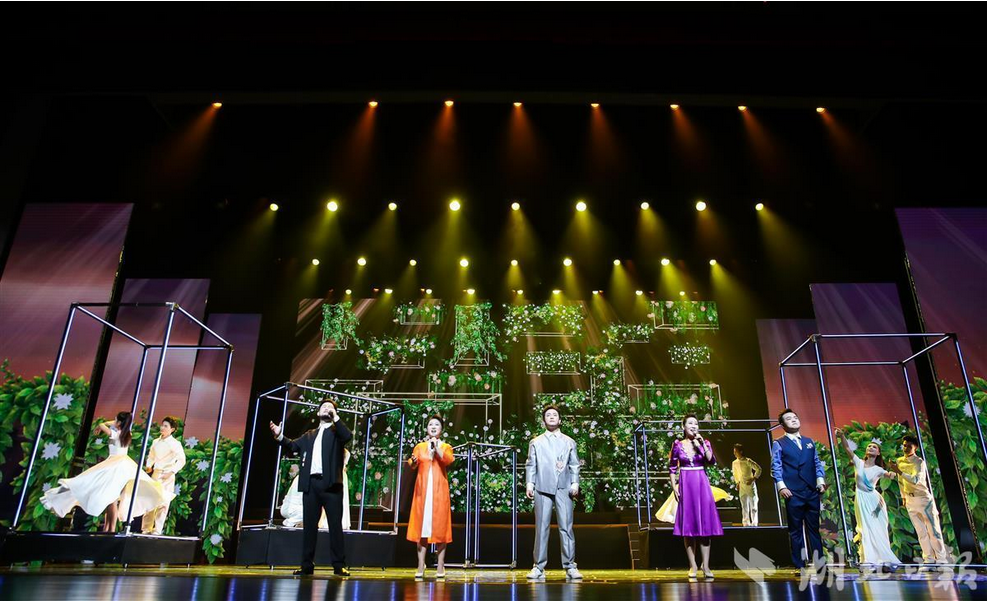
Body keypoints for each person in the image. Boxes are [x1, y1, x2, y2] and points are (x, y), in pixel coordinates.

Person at [42, 411, 171, 531]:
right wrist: (117, 422)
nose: (113, 422)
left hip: (115, 466)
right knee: (112, 499)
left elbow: (102, 425)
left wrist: (104, 424)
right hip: (120, 465)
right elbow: (112, 426)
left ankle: (111, 529)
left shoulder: (117, 434)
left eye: (116, 420)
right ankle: (109, 529)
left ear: (119, 422)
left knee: (107, 496)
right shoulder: (126, 434)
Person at [270, 399, 352, 577]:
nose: (327, 409)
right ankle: (307, 565)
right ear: (318, 413)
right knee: (309, 527)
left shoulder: (337, 432)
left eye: (331, 408)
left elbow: (347, 436)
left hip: (331, 485)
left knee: (335, 526)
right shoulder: (309, 435)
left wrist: (336, 418)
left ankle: (339, 565)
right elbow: (293, 445)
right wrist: (279, 435)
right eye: (324, 407)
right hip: (311, 484)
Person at [525, 405, 583, 581]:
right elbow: (531, 464)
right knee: (541, 528)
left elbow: (574, 464)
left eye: (554, 415)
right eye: (548, 415)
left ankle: (570, 566)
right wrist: (530, 483)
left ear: (560, 419)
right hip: (542, 487)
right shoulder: (536, 442)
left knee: (566, 527)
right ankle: (538, 566)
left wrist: (575, 483)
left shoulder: (569, 442)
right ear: (543, 420)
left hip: (564, 487)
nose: (551, 417)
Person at [771, 409, 827, 572]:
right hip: (793, 491)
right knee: (795, 530)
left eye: (795, 417)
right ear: (782, 425)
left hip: (811, 490)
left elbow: (816, 463)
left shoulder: (809, 442)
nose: (794, 420)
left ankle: (820, 566)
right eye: (789, 418)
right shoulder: (779, 443)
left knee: (814, 530)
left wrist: (820, 481)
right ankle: (799, 566)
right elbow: (775, 466)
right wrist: (782, 486)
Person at [836, 429, 901, 567]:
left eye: (874, 447)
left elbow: (891, 475)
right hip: (861, 498)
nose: (871, 447)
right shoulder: (858, 463)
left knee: (878, 529)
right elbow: (847, 448)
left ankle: (884, 560)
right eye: (869, 446)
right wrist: (842, 436)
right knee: (865, 528)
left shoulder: (878, 469)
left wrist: (896, 471)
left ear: (878, 453)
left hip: (875, 501)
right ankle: (869, 559)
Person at [669, 414, 724, 579]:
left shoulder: (704, 442)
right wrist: (674, 486)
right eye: (690, 423)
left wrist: (702, 444)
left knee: (705, 526)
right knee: (689, 527)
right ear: (684, 427)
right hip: (686, 484)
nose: (694, 426)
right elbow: (672, 467)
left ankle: (706, 566)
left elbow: (711, 461)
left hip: (701, 483)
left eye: (696, 423)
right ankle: (692, 565)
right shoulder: (678, 445)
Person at [887, 434, 950, 564]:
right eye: (904, 446)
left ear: (915, 447)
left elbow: (916, 480)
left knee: (933, 530)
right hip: (910, 500)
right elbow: (901, 481)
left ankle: (941, 560)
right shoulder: (899, 461)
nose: (906, 448)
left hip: (923, 499)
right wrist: (903, 496)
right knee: (921, 532)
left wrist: (899, 471)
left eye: (909, 446)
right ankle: (929, 559)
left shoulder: (919, 462)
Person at [407, 416, 455, 579]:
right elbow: (412, 464)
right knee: (421, 528)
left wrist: (436, 447)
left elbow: (448, 460)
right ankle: (421, 564)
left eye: (437, 425)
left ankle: (440, 565)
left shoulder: (446, 447)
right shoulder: (420, 447)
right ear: (427, 428)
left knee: (441, 528)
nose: (433, 427)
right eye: (430, 424)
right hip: (423, 492)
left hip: (439, 492)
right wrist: (413, 461)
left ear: (441, 429)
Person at [281, 449, 352, 530]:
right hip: (294, 509)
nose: (344, 467)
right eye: (344, 464)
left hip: (294, 508)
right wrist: (320, 522)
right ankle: (292, 523)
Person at [141, 416, 187, 535]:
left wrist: (171, 472)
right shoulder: (156, 441)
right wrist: (149, 465)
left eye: (166, 426)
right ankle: (146, 528)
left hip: (167, 475)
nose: (162, 427)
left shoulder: (175, 444)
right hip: (156, 473)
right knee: (150, 500)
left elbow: (182, 460)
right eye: (162, 425)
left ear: (172, 429)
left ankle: (157, 529)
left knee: (163, 503)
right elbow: (151, 456)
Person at [732, 443, 762, 527]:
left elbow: (758, 469)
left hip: (750, 485)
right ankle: (746, 523)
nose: (734, 453)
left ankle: (754, 524)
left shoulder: (747, 461)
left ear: (741, 451)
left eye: (736, 451)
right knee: (744, 506)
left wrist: (753, 478)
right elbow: (735, 474)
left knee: (753, 506)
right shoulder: (734, 463)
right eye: (734, 451)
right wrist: (737, 483)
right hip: (742, 486)